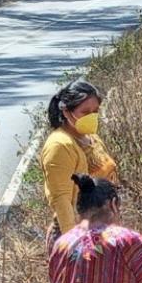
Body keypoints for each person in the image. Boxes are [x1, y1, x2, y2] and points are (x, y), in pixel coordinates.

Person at [41, 79, 117, 244]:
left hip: (102, 231)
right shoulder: (59, 145)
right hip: (77, 236)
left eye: (95, 111)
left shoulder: (92, 139)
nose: (92, 116)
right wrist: (74, 243)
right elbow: (61, 200)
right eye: (85, 112)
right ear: (67, 112)